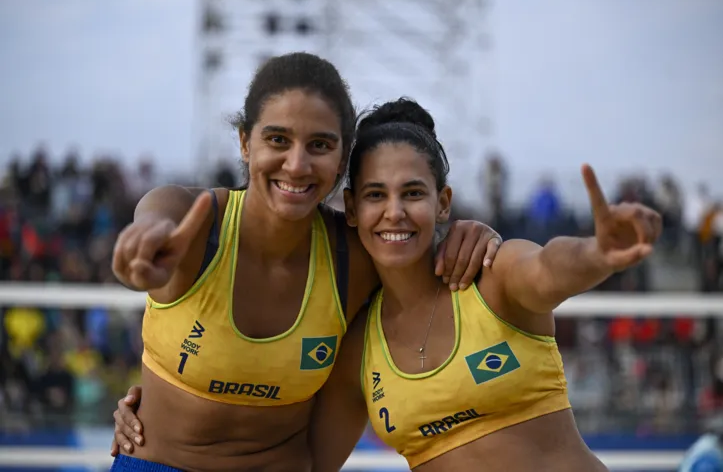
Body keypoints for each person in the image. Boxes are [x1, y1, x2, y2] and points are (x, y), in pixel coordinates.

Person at [108, 54, 502, 472]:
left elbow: (424, 250)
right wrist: (140, 251)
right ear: (245, 142)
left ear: (341, 158)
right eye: (278, 139)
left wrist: (479, 235)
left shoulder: (358, 258)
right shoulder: (194, 223)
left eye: (319, 145)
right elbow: (153, 221)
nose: (296, 165)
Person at [304, 98, 662, 471]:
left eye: (412, 193)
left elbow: (549, 267)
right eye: (376, 195)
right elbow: (311, 464)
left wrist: (596, 252)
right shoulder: (359, 348)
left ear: (443, 203)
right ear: (351, 207)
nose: (394, 212)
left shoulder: (493, 276)